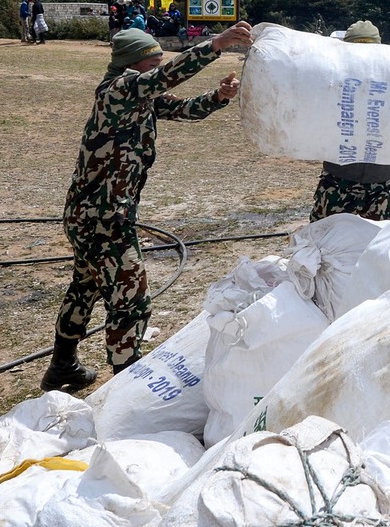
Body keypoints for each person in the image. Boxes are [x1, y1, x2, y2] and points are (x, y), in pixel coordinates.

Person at [40, 20, 254, 391]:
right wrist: (215, 44)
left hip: (92, 216)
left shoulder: (140, 96)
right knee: (131, 302)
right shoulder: (117, 91)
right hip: (102, 220)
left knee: (86, 287)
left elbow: (184, 108)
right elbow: (163, 79)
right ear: (132, 64)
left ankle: (62, 366)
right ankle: (127, 387)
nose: (157, 68)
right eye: (152, 62)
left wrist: (218, 97)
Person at [309, 19, 390, 222]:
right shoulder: (331, 80)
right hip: (341, 177)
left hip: (379, 181)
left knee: (377, 245)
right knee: (326, 241)